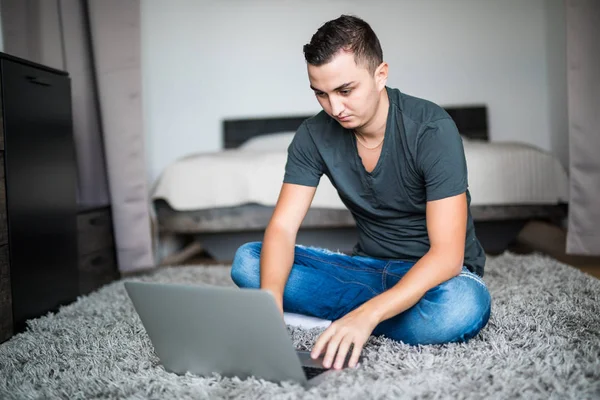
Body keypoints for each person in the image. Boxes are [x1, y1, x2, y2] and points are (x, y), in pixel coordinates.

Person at [230, 15, 491, 371]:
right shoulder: (312, 136)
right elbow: (282, 229)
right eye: (321, 94)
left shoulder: (431, 129)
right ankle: (370, 316)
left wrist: (366, 316)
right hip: (365, 269)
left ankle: (351, 319)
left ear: (380, 74)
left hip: (439, 277)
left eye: (345, 90)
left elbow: (447, 256)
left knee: (462, 307)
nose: (335, 108)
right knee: (248, 262)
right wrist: (270, 310)